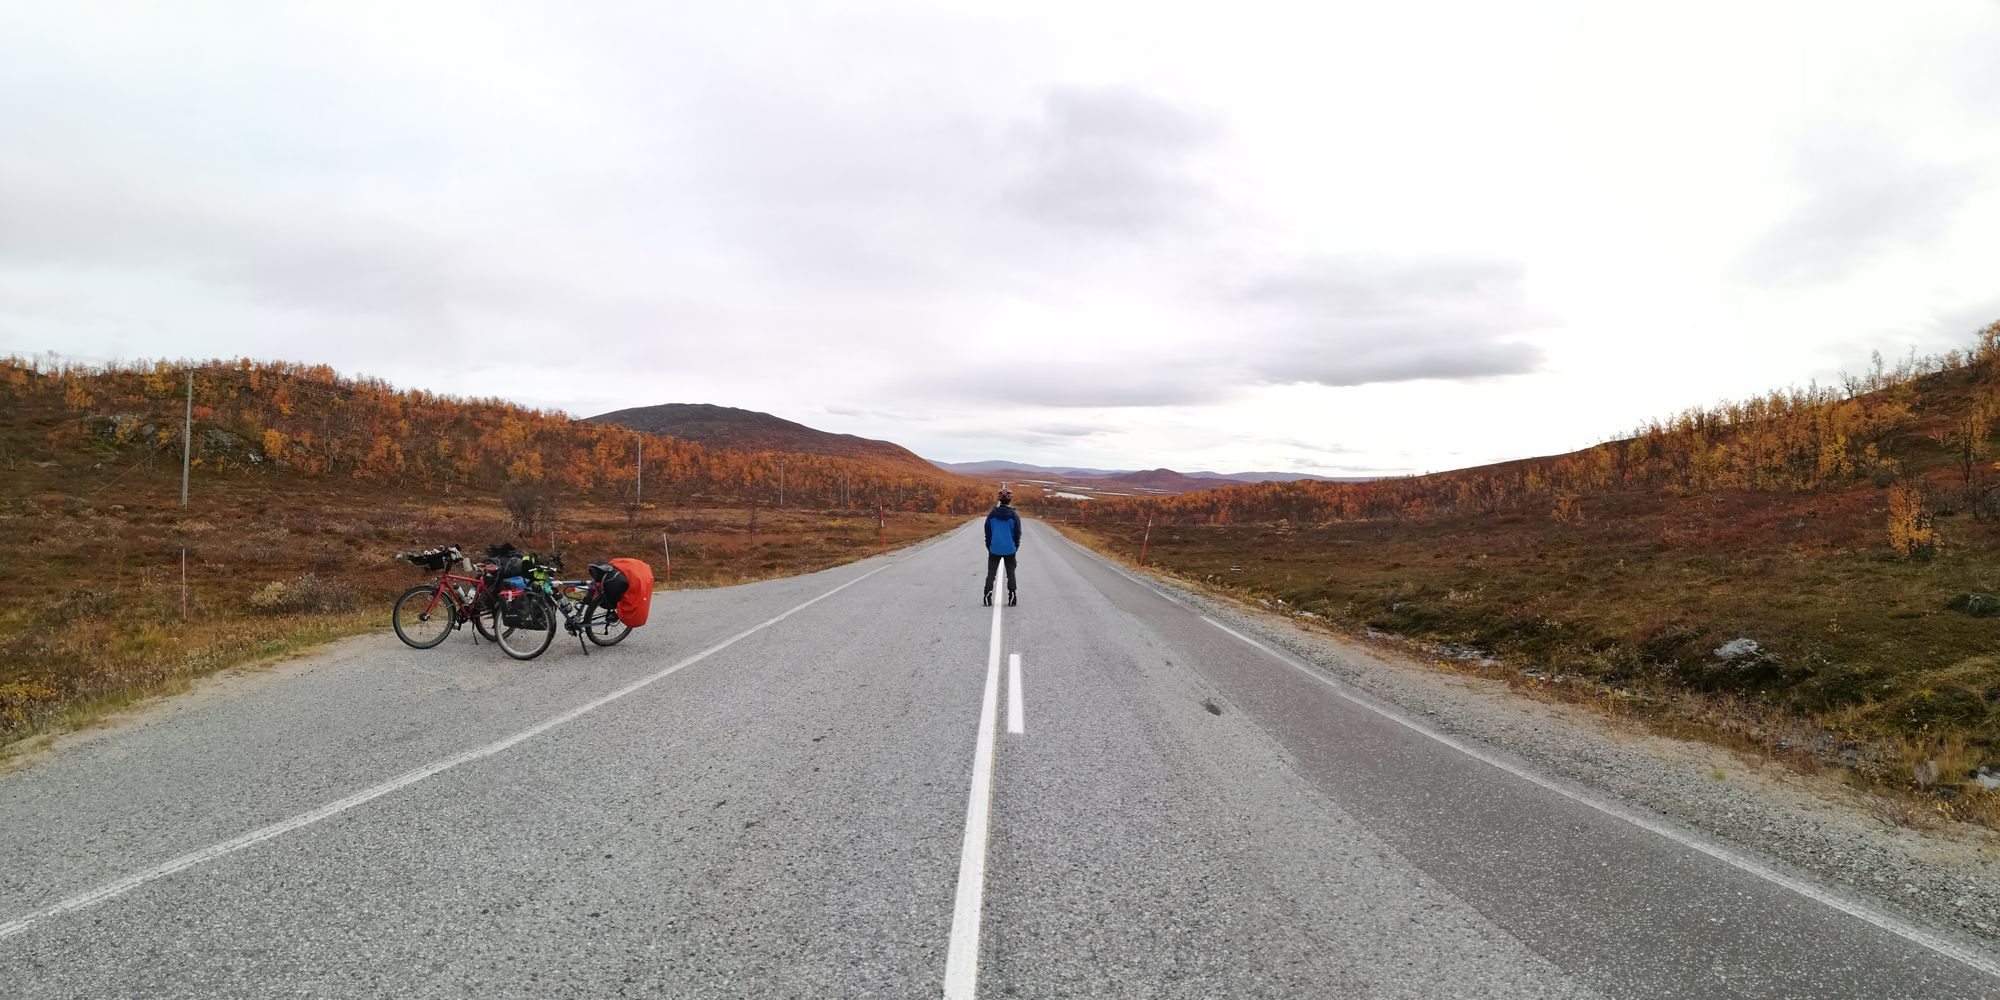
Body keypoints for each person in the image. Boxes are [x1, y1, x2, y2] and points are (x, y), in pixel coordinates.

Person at [983, 488, 1022, 606]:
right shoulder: (1014, 515)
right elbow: (1017, 533)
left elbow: (987, 532)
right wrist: (1015, 546)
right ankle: (1012, 596)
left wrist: (989, 546)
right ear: (1010, 501)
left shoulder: (992, 514)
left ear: (999, 500)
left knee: (991, 573)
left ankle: (987, 596)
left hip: (994, 549)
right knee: (1011, 573)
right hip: (1010, 549)